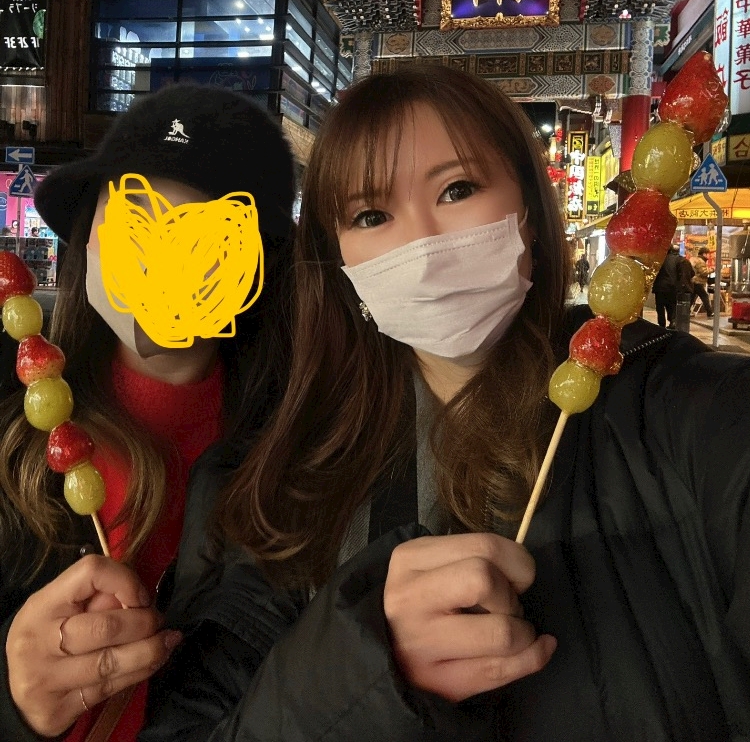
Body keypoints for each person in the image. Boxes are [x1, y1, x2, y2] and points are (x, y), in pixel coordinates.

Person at [138, 63, 750, 742]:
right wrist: (357, 674)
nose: (422, 244)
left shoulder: (676, 407)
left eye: (458, 189)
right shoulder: (277, 480)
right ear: (339, 262)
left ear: (530, 210)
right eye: (372, 215)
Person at [0, 83, 296, 742]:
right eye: (134, 224)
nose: (159, 259)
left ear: (259, 267)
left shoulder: (303, 456)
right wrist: (10, 698)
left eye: (204, 238)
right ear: (87, 234)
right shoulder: (14, 425)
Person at [689, 246, 714, 317]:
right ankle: (709, 312)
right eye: (708, 254)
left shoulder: (696, 260)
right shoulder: (700, 261)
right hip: (697, 282)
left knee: (691, 298)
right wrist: (712, 270)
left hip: (693, 281)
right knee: (704, 296)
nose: (709, 255)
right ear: (704, 254)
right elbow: (704, 272)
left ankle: (686, 312)